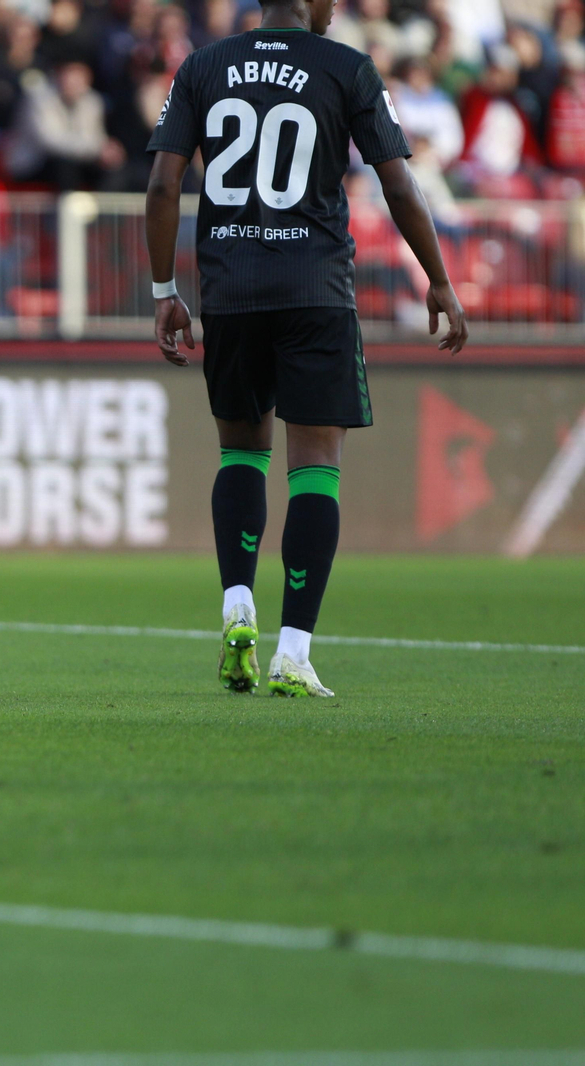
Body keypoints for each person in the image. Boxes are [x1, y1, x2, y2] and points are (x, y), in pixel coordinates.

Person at [144, 0, 468, 698]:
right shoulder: (347, 66)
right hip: (315, 289)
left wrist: (165, 290)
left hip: (230, 288)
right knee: (315, 466)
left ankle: (238, 605)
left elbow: (164, 182)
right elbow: (397, 181)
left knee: (241, 453)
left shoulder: (202, 66)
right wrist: (439, 279)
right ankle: (293, 653)